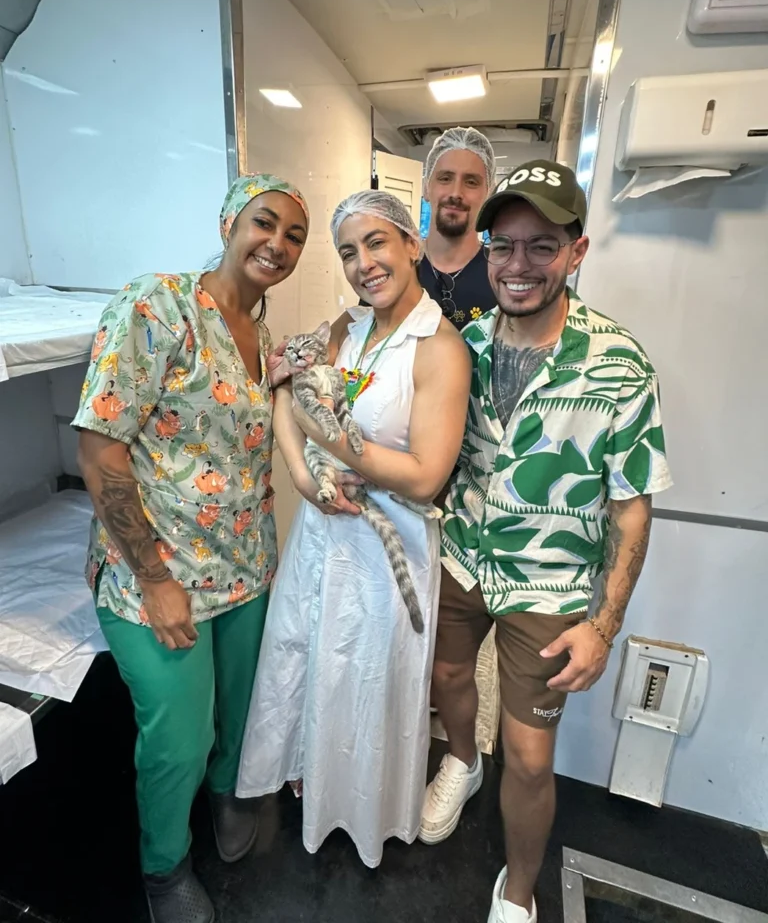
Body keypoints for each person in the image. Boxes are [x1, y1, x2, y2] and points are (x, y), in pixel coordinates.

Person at [420, 160, 673, 923]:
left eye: (542, 246)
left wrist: (604, 626)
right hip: (461, 557)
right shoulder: (464, 344)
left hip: (550, 585)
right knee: (448, 678)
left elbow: (632, 508)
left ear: (576, 251)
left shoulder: (618, 364)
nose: (518, 264)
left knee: (530, 759)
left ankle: (519, 890)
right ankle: (461, 760)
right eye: (504, 245)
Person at [74, 173, 310, 923]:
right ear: (227, 224)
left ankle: (226, 794)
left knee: (240, 711)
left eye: (295, 235)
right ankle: (164, 866)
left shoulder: (262, 334)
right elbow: (101, 448)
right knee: (179, 735)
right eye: (264, 222)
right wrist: (153, 578)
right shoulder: (158, 306)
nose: (277, 243)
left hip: (245, 567)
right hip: (158, 573)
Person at [236, 191, 471, 868]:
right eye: (348, 251)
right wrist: (305, 478)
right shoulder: (348, 325)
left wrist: (328, 440)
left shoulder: (440, 348)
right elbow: (285, 393)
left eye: (376, 243)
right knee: (313, 659)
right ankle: (315, 774)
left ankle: (362, 807)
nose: (363, 263)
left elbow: (424, 477)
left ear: (412, 245)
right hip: (322, 532)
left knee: (367, 678)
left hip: (383, 548)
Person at [418, 126, 497, 326]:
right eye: (445, 178)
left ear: (488, 194)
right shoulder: (398, 267)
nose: (456, 193)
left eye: (471, 182)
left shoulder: (501, 274)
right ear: (426, 187)